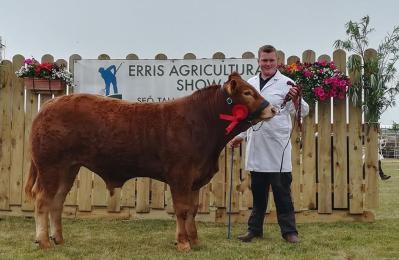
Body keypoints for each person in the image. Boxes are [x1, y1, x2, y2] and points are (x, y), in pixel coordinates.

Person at [228, 45, 309, 244]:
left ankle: (289, 232)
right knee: (258, 194)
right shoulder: (252, 84)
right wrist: (241, 136)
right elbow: (249, 117)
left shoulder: (287, 83)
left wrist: (296, 99)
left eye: (271, 60)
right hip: (257, 144)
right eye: (264, 60)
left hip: (277, 147)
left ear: (277, 61)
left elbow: (303, 111)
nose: (268, 64)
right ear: (259, 62)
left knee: (282, 193)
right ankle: (254, 229)